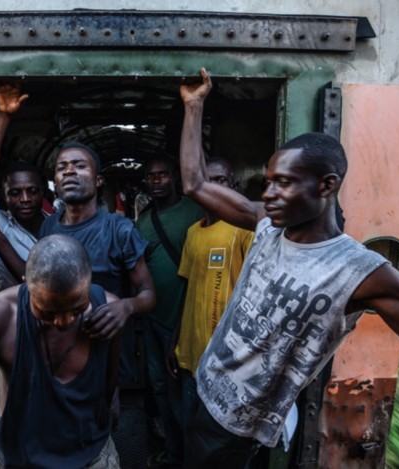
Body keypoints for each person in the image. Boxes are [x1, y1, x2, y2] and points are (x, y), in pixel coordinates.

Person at [179, 68, 399, 467]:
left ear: (326, 185)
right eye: (268, 181)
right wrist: (194, 104)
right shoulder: (269, 225)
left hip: (236, 430)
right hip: (204, 389)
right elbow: (196, 185)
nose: (268, 194)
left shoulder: (359, 271)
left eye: (283, 183)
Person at [0, 235, 122, 468]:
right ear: (27, 285)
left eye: (77, 308)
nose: (64, 322)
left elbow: (106, 389)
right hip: (18, 459)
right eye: (49, 312)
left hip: (91, 457)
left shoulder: (108, 312)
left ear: (89, 283)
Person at [39, 142, 156, 381]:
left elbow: (148, 294)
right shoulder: (48, 226)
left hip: (108, 353)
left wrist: (126, 306)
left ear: (98, 181)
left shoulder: (118, 229)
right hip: (60, 354)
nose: (69, 171)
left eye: (79, 166)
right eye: (62, 168)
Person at [170, 157, 254, 425]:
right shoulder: (193, 233)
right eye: (207, 181)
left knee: (220, 436)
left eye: (220, 180)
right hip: (191, 354)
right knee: (190, 427)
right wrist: (175, 340)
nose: (213, 187)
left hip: (227, 359)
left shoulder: (244, 230)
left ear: (234, 185)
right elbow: (187, 288)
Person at [134, 156, 203, 467]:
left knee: (184, 393)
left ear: (175, 177)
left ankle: (187, 456)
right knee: (160, 386)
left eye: (163, 175)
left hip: (187, 320)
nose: (157, 181)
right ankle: (173, 452)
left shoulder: (195, 211)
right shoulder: (145, 219)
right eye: (151, 176)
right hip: (153, 319)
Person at [0, 83, 49, 291]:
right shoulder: (2, 223)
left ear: (43, 192)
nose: (25, 199)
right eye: (15, 193)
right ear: (3, 196)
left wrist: (0, 241)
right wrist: (3, 116)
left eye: (32, 191)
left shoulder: (58, 223)